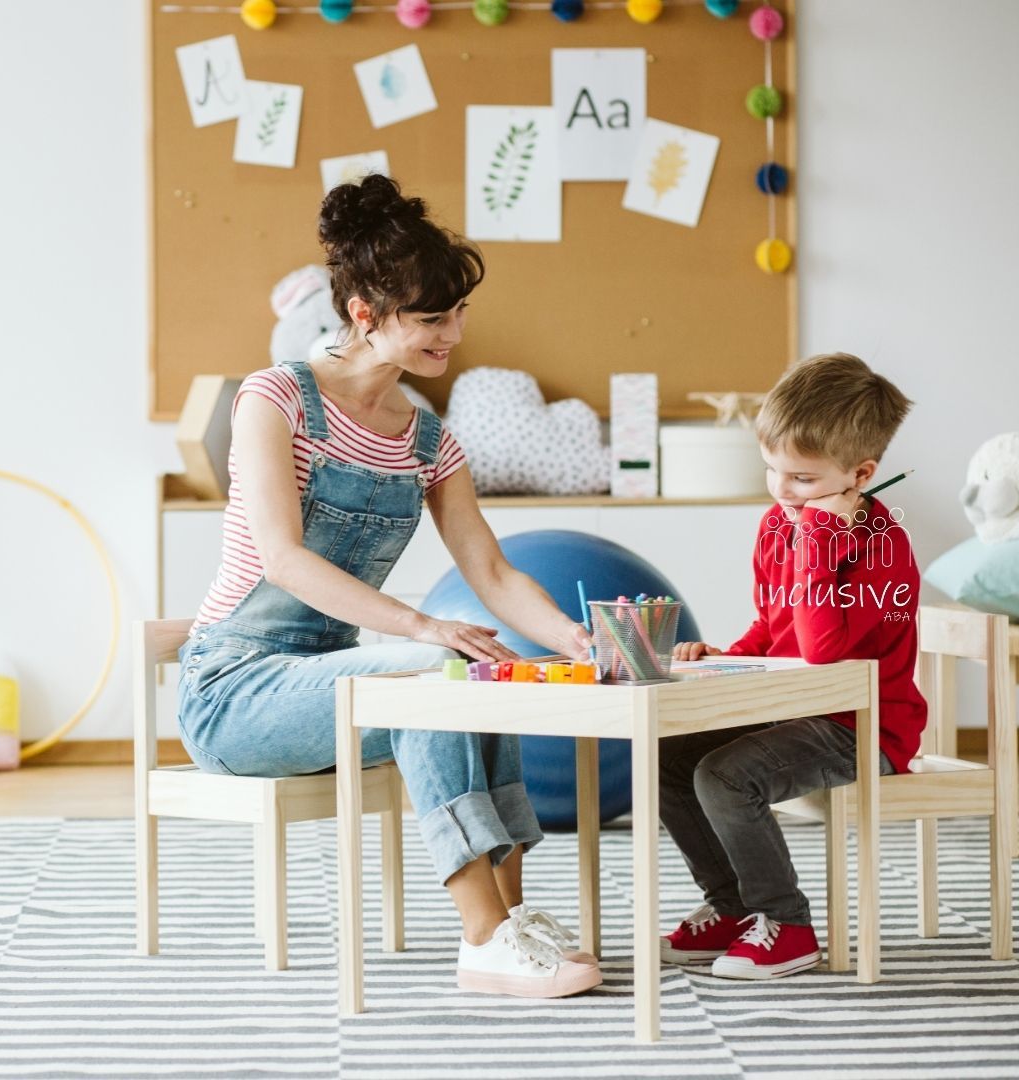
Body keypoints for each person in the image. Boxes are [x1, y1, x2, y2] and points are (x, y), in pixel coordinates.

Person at [176, 174, 598, 999]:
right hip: (234, 689)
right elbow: (283, 559)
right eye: (432, 318)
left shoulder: (429, 437)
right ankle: (482, 939)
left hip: (332, 682)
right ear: (365, 314)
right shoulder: (276, 399)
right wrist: (418, 626)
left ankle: (512, 923)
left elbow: (493, 571)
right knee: (426, 680)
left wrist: (582, 643)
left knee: (481, 677)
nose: (455, 333)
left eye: (458, 313)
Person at [660, 352, 924, 979]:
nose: (782, 490)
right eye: (772, 468)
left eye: (802, 479)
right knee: (670, 756)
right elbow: (777, 627)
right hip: (797, 707)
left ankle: (789, 926)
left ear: (860, 474)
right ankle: (734, 906)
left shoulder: (879, 547)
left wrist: (815, 543)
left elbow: (824, 655)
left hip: (861, 723)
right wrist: (729, 654)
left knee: (725, 777)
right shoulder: (780, 523)